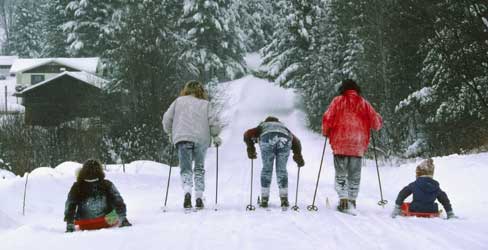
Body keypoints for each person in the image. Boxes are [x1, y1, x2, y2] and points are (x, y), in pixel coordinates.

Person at [322, 79, 382, 213]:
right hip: (357, 144)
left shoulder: (337, 101)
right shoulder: (364, 103)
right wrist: (378, 118)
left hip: (340, 143)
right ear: (356, 89)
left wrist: (326, 132)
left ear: (343, 89)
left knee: (341, 174)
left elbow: (327, 118)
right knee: (354, 175)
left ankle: (343, 199)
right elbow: (376, 124)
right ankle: (352, 200)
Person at [162, 80, 221, 210]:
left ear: (186, 89)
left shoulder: (178, 101)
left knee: (186, 168)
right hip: (201, 139)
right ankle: (199, 196)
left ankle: (187, 192)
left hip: (182, 137)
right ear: (201, 90)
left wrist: (170, 132)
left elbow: (167, 118)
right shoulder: (206, 104)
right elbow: (214, 122)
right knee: (199, 168)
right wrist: (215, 135)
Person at [243, 116, 305, 209]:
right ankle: (284, 199)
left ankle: (264, 199)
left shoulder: (262, 126)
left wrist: (251, 148)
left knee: (267, 170)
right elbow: (297, 142)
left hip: (267, 138)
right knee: (282, 170)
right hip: (285, 139)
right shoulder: (283, 127)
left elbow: (247, 134)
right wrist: (298, 157)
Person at [64, 159, 131, 232]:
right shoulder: (107, 184)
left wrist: (69, 224)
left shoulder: (77, 187)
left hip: (85, 224)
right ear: (100, 171)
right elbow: (118, 200)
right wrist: (123, 218)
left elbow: (70, 205)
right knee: (113, 200)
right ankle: (121, 218)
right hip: (108, 221)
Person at [391, 158, 457, 219]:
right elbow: (444, 199)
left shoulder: (415, 184)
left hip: (415, 209)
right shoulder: (436, 186)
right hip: (432, 210)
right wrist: (450, 213)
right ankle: (450, 214)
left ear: (418, 173)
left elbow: (402, 193)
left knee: (405, 205)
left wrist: (397, 208)